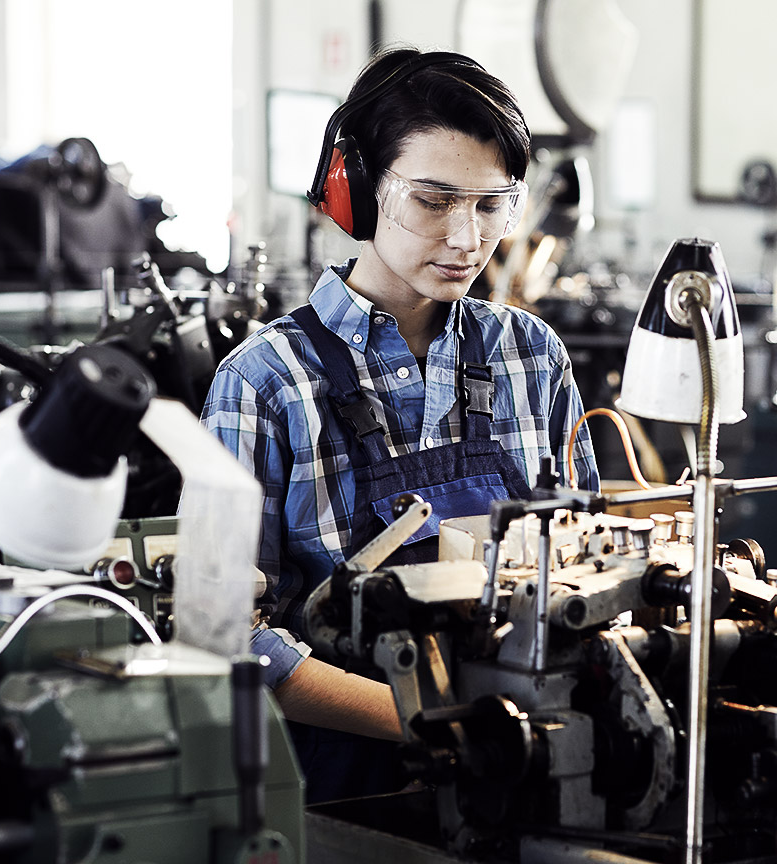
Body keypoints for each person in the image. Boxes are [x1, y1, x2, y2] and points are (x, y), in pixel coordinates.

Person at [201, 47, 599, 803]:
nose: (466, 239)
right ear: (355, 190)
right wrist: (428, 722)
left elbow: (585, 567)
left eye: (490, 205)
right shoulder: (265, 383)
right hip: (348, 792)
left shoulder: (531, 356)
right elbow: (226, 640)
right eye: (433, 200)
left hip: (531, 779)